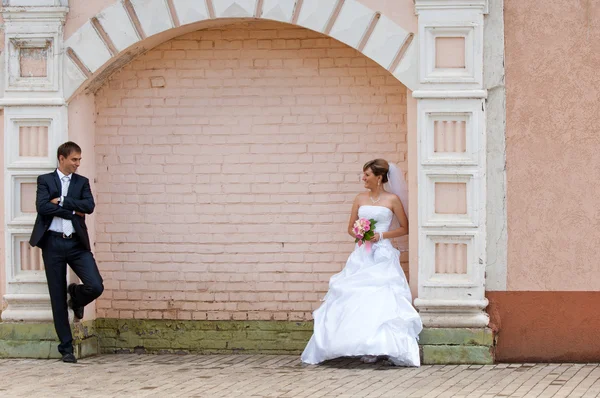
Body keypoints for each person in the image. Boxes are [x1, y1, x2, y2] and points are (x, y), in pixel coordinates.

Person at [301, 159, 422, 366]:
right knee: (355, 296)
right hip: (362, 254)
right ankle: (350, 343)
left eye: (367, 175)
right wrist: (360, 234)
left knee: (381, 297)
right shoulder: (359, 198)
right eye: (363, 175)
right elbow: (350, 228)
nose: (363, 178)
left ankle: (379, 345)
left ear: (380, 177)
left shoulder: (392, 199)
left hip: (382, 254)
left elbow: (404, 228)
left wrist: (381, 235)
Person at [29, 141, 104, 363]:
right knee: (57, 296)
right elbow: (42, 207)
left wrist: (62, 202)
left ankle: (77, 296)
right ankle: (66, 348)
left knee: (95, 285)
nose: (78, 164)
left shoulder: (82, 182)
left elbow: (88, 207)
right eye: (74, 159)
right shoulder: (45, 180)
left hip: (76, 244)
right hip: (52, 243)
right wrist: (73, 210)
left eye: (79, 159)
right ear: (62, 158)